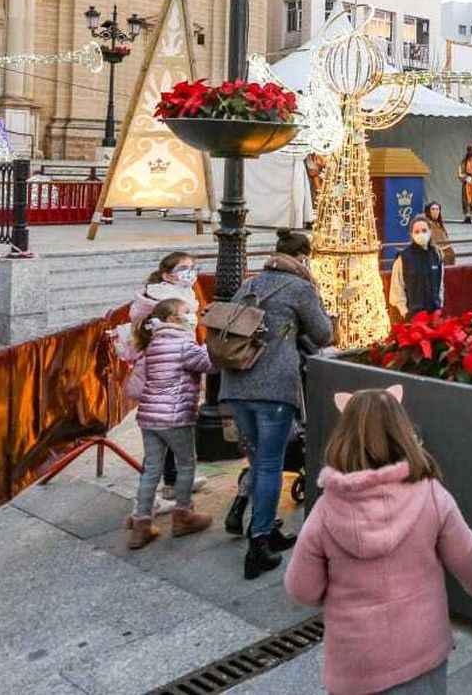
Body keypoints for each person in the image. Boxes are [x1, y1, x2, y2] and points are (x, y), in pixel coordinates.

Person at [285, 388, 472, 695]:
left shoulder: (325, 511)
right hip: (422, 651)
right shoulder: (431, 495)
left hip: (357, 664)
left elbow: (301, 588)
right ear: (403, 433)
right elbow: (470, 560)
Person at [223, 229, 333, 580]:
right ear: (302, 257)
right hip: (272, 389)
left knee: (258, 460)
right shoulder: (299, 288)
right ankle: (258, 547)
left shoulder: (250, 284)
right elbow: (323, 334)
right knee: (270, 465)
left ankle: (267, 526)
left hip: (237, 386)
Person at [126, 298, 214, 549]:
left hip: (149, 417)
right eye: (187, 313)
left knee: (151, 468)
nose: (191, 316)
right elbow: (209, 363)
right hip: (175, 417)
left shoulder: (153, 343)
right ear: (174, 319)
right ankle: (183, 515)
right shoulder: (183, 344)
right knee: (186, 464)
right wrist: (215, 343)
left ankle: (141, 523)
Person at [125, 251, 206, 507]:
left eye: (193, 267)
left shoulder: (182, 296)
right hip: (167, 382)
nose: (190, 272)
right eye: (184, 268)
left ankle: (145, 509)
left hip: (155, 403)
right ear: (167, 274)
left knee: (156, 455)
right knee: (180, 454)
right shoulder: (159, 303)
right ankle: (182, 508)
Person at [394, 215, 445, 317]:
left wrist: (440, 306)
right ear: (411, 234)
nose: (421, 234)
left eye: (424, 230)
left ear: (430, 232)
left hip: (435, 314)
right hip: (413, 315)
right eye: (417, 232)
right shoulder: (403, 258)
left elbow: (440, 286)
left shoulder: (437, 255)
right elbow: (397, 288)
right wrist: (404, 312)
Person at [422, 201, 456, 266]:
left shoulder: (439, 224)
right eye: (433, 209)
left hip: (448, 254)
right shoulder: (426, 223)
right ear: (428, 210)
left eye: (437, 209)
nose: (435, 211)